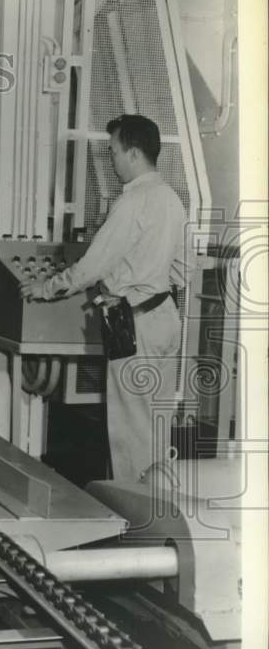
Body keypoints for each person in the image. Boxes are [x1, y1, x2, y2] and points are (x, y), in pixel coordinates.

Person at [20, 114, 191, 481]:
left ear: (132, 153)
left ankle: (134, 519)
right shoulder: (172, 199)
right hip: (165, 318)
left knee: (130, 429)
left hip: (133, 326)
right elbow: (183, 269)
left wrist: (45, 288)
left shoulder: (132, 203)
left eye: (113, 152)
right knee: (157, 423)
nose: (111, 162)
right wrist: (148, 277)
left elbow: (90, 267)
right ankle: (161, 507)